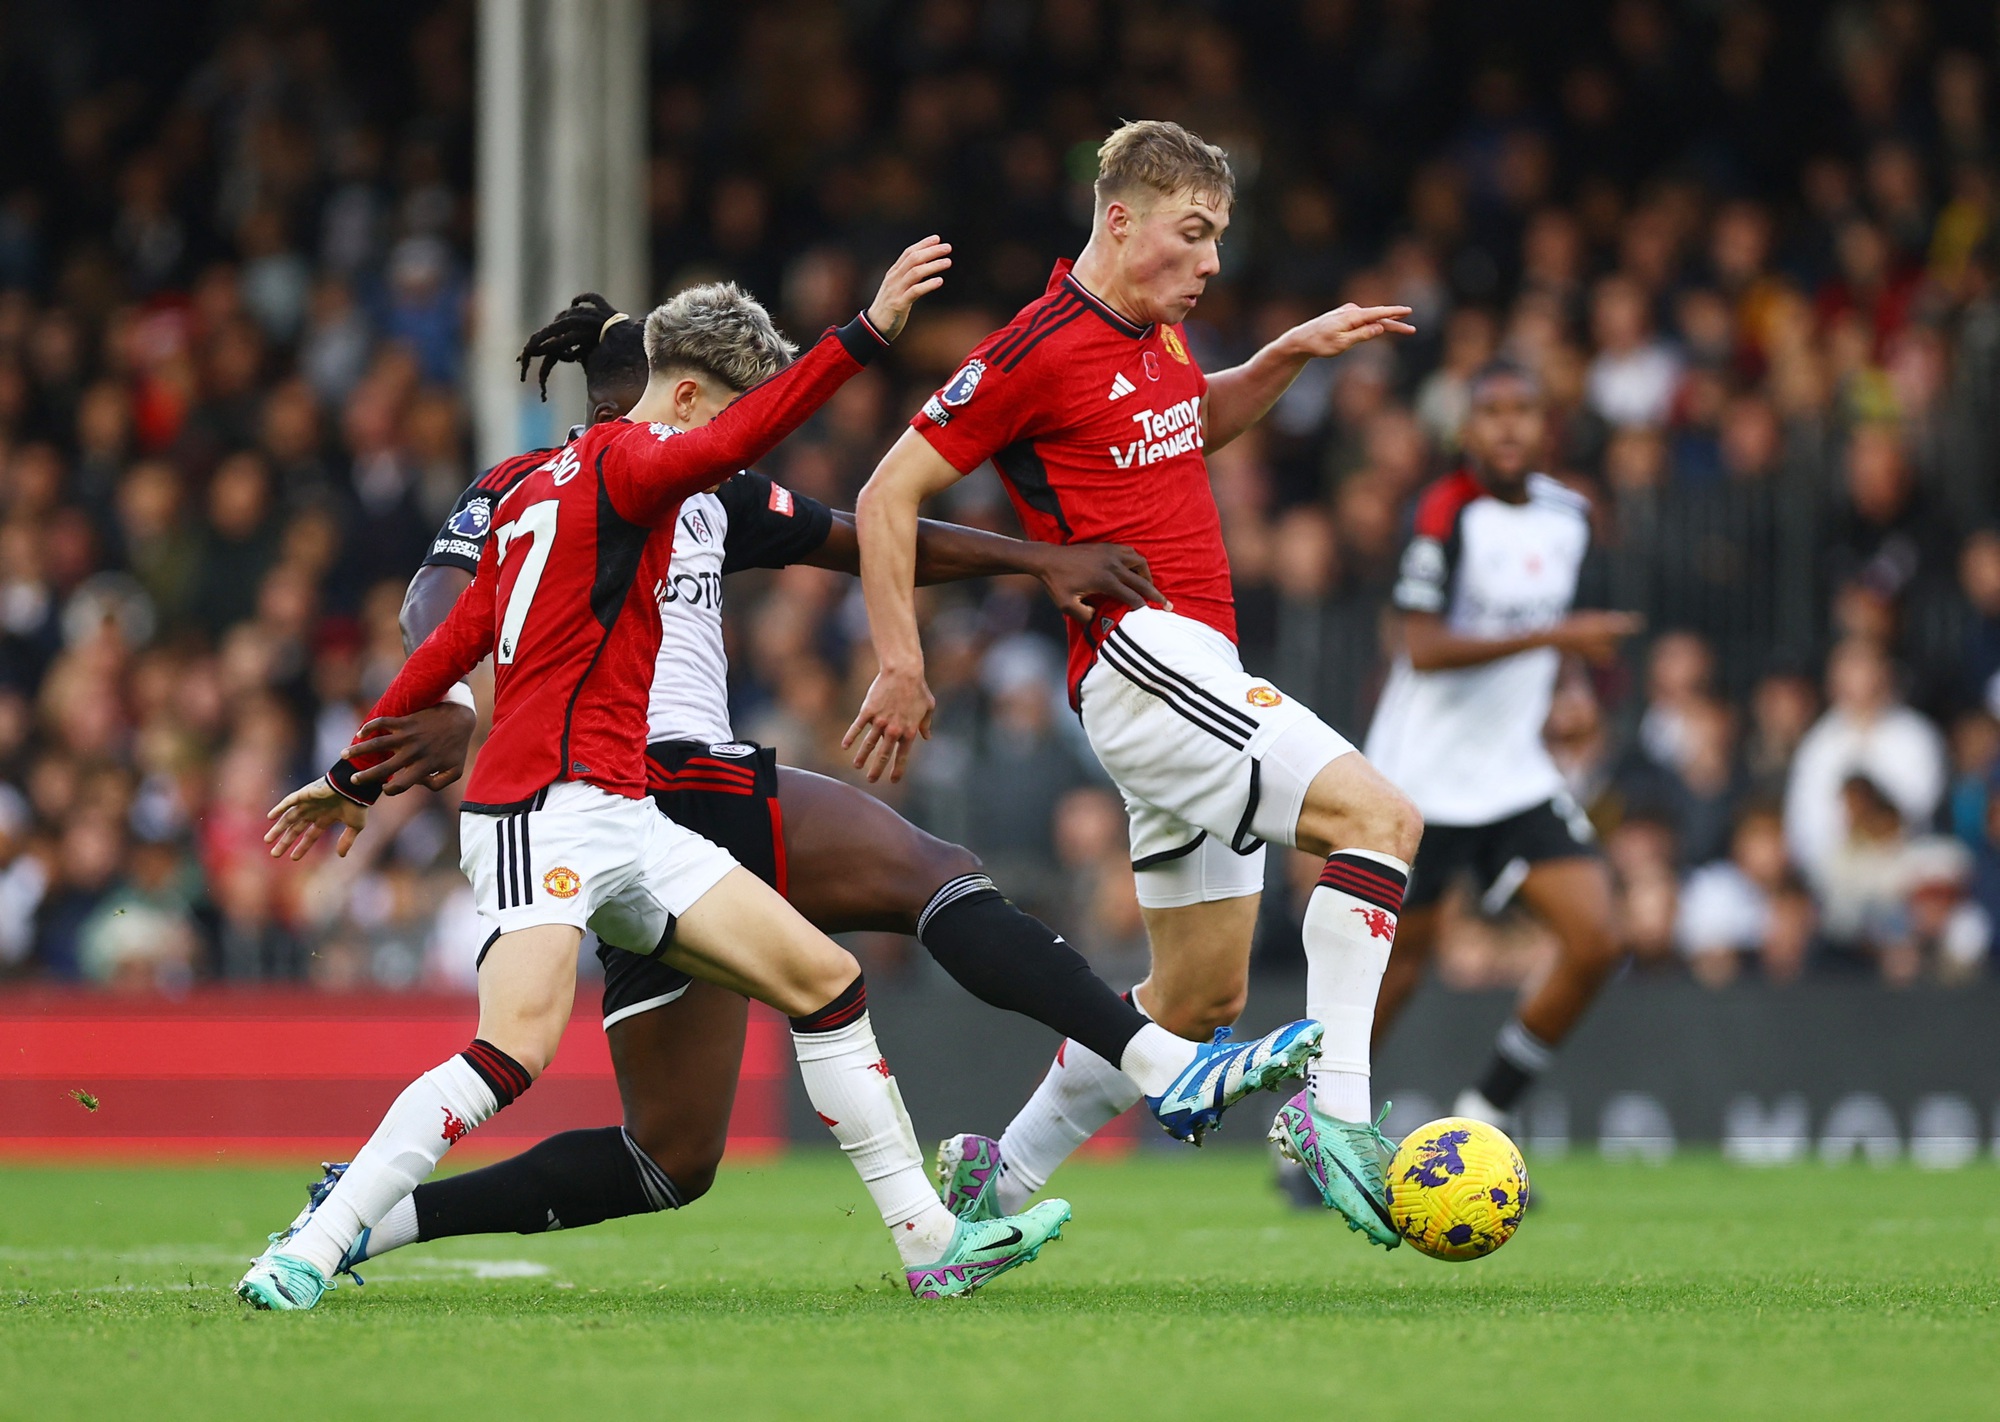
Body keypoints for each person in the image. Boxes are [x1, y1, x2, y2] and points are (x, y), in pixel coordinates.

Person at [286, 288, 1318, 1275]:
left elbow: (861, 537)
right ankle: (1156, 1066)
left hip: (619, 818)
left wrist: (1032, 561)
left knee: (669, 1158)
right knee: (934, 877)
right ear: (645, 395)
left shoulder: (692, 492)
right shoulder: (548, 484)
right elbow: (439, 604)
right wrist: (467, 708)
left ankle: (361, 1217)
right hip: (658, 778)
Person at [235, 239, 1085, 1310]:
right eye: (718, 413)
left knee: (825, 983)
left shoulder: (534, 490)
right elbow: (747, 431)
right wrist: (865, 334)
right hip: (538, 815)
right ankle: (315, 1242)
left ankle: (929, 1242)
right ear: (677, 399)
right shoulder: (636, 467)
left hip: (625, 815)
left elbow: (459, 639)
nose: (727, 449)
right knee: (513, 1051)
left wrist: (356, 774)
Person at [846, 119, 1425, 1248]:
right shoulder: (1031, 349)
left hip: (1186, 671)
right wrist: (901, 659)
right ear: (1119, 221)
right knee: (1381, 817)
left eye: (1218, 238)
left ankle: (993, 1183)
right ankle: (1338, 1117)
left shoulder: (1152, 335)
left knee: (1196, 998)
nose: (1211, 262)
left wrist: (1286, 357)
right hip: (1146, 658)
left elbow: (1185, 424)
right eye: (1192, 234)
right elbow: (883, 493)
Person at [1364, 361, 1642, 1123]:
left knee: (1597, 940)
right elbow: (1420, 645)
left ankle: (1487, 1114)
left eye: (1526, 409)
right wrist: (1556, 637)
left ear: (1546, 424)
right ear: (1467, 429)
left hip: (1515, 776)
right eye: (1493, 411)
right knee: (1400, 968)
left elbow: (1561, 642)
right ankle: (1313, 1134)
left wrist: (1570, 691)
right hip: (1421, 782)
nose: (1510, 425)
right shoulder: (1444, 511)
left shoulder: (1570, 516)